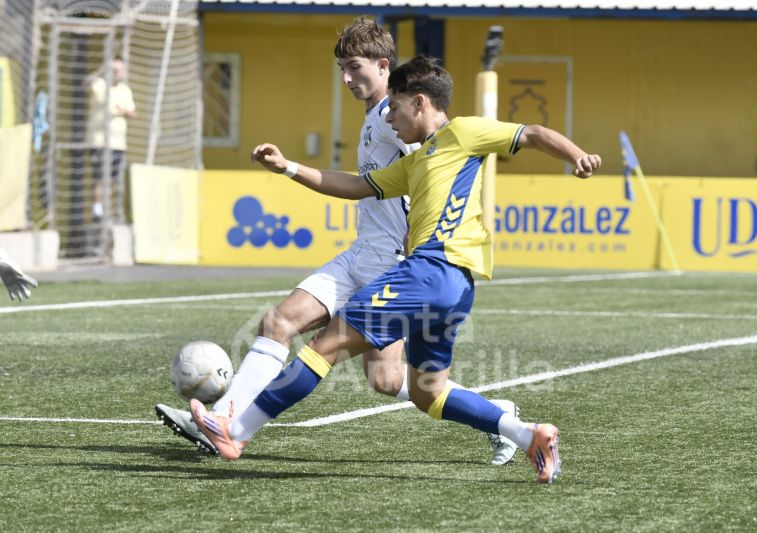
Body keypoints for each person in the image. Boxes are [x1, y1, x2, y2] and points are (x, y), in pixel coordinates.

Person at [191, 55, 602, 483]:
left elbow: (531, 133)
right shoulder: (417, 161)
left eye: (395, 107)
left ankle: (235, 432)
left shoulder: (462, 132)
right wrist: (288, 168)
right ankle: (527, 434)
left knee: (325, 346)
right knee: (428, 392)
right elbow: (355, 186)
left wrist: (577, 157)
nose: (388, 118)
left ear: (420, 102)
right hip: (454, 286)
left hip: (430, 270)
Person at [155, 17, 519, 466]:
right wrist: (289, 168)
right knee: (282, 324)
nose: (347, 78)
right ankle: (222, 420)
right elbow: (364, 182)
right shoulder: (378, 116)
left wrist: (416, 232)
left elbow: (428, 171)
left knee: (383, 378)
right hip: (362, 253)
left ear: (384, 66)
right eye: (342, 69)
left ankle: (498, 415)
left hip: (393, 262)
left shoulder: (396, 117)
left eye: (354, 67)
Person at [87, 58, 135, 222]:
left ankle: (110, 209)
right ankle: (97, 209)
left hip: (118, 144)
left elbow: (133, 112)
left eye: (120, 70)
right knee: (99, 176)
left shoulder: (125, 90)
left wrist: (123, 111)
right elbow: (86, 82)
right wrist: (102, 68)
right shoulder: (100, 85)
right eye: (114, 69)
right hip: (99, 141)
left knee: (113, 178)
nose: (117, 73)